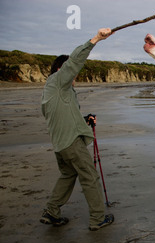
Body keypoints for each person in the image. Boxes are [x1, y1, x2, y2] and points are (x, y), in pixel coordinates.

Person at [40, 28, 114, 231]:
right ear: (60, 70)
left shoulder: (52, 90)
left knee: (68, 174)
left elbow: (59, 116)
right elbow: (74, 61)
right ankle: (98, 219)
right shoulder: (58, 81)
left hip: (59, 145)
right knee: (89, 176)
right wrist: (96, 39)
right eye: (71, 72)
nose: (75, 75)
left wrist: (84, 120)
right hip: (71, 143)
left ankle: (51, 211)